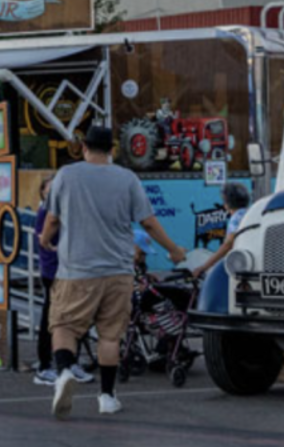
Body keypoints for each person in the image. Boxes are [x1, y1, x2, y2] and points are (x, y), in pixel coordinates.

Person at [40, 125, 186, 419]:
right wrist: (173, 249)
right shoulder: (127, 178)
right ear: (112, 150)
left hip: (77, 270)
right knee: (110, 336)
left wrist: (44, 240)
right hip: (119, 271)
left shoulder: (67, 175)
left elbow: (53, 219)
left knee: (64, 326)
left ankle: (65, 370)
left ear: (83, 147)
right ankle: (107, 396)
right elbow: (147, 222)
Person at [32, 175, 93, 386]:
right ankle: (44, 366)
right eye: (49, 190)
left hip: (72, 271)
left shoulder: (67, 212)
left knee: (74, 318)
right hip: (54, 273)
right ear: (43, 193)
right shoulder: (46, 213)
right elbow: (44, 243)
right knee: (51, 319)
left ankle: (70, 362)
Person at [193, 182, 251, 278]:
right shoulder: (249, 213)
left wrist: (204, 266)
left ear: (228, 203)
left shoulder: (236, 218)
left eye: (224, 201)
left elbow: (228, 244)